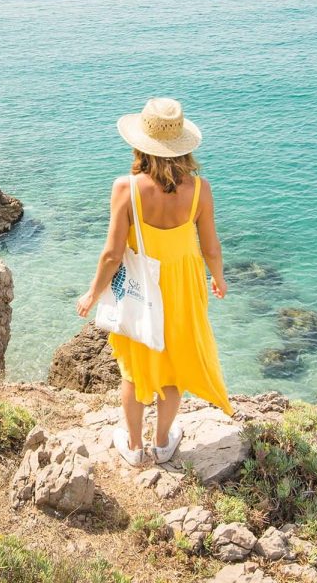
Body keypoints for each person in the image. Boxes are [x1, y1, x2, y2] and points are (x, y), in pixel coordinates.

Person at [76, 98, 231, 467]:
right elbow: (211, 247)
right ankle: (163, 443)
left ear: (140, 143)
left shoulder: (125, 188)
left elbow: (112, 254)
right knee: (173, 364)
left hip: (141, 288)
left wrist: (93, 293)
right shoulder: (200, 189)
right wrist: (219, 279)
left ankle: (132, 445)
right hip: (183, 287)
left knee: (136, 367)